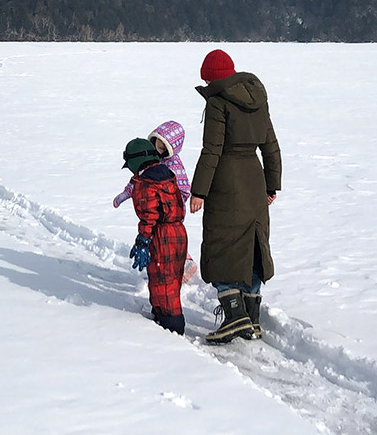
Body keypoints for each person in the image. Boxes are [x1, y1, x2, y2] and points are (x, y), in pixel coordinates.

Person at [189, 49, 281, 344]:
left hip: (226, 181)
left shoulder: (218, 102)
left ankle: (233, 317)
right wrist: (271, 185)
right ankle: (252, 319)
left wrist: (199, 191)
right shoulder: (257, 99)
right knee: (254, 245)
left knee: (222, 244)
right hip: (254, 181)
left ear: (212, 78)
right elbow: (271, 147)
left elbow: (212, 150)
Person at [114, 121, 198, 282]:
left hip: (171, 211)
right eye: (156, 146)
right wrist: (126, 193)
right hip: (156, 208)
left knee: (168, 239)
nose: (158, 151)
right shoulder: (151, 160)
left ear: (171, 149)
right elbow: (139, 179)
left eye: (162, 149)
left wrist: (172, 201)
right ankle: (162, 265)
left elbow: (184, 188)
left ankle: (184, 264)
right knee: (159, 238)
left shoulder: (174, 165)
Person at [121, 136, 188, 335]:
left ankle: (171, 326)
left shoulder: (145, 183)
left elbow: (149, 216)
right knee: (173, 278)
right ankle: (164, 315)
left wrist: (143, 240)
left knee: (161, 280)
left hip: (161, 236)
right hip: (179, 232)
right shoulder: (168, 173)